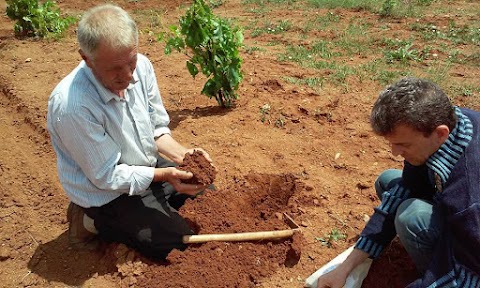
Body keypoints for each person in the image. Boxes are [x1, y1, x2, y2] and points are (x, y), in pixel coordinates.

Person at [47, 4, 213, 260]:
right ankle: (88, 219)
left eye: (131, 61)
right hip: (106, 192)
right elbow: (106, 175)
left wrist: (185, 157)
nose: (127, 75)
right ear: (86, 59)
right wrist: (164, 175)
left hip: (146, 164)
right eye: (115, 68)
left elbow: (157, 130)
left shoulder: (142, 67)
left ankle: (153, 208)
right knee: (176, 243)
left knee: (208, 197)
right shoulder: (73, 106)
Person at [315, 77, 480, 287]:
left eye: (403, 144)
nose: (394, 153)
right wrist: (345, 267)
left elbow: (468, 278)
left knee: (412, 217)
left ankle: (431, 269)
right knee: (388, 181)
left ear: (440, 133)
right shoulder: (451, 122)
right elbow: (404, 189)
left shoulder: (469, 195)